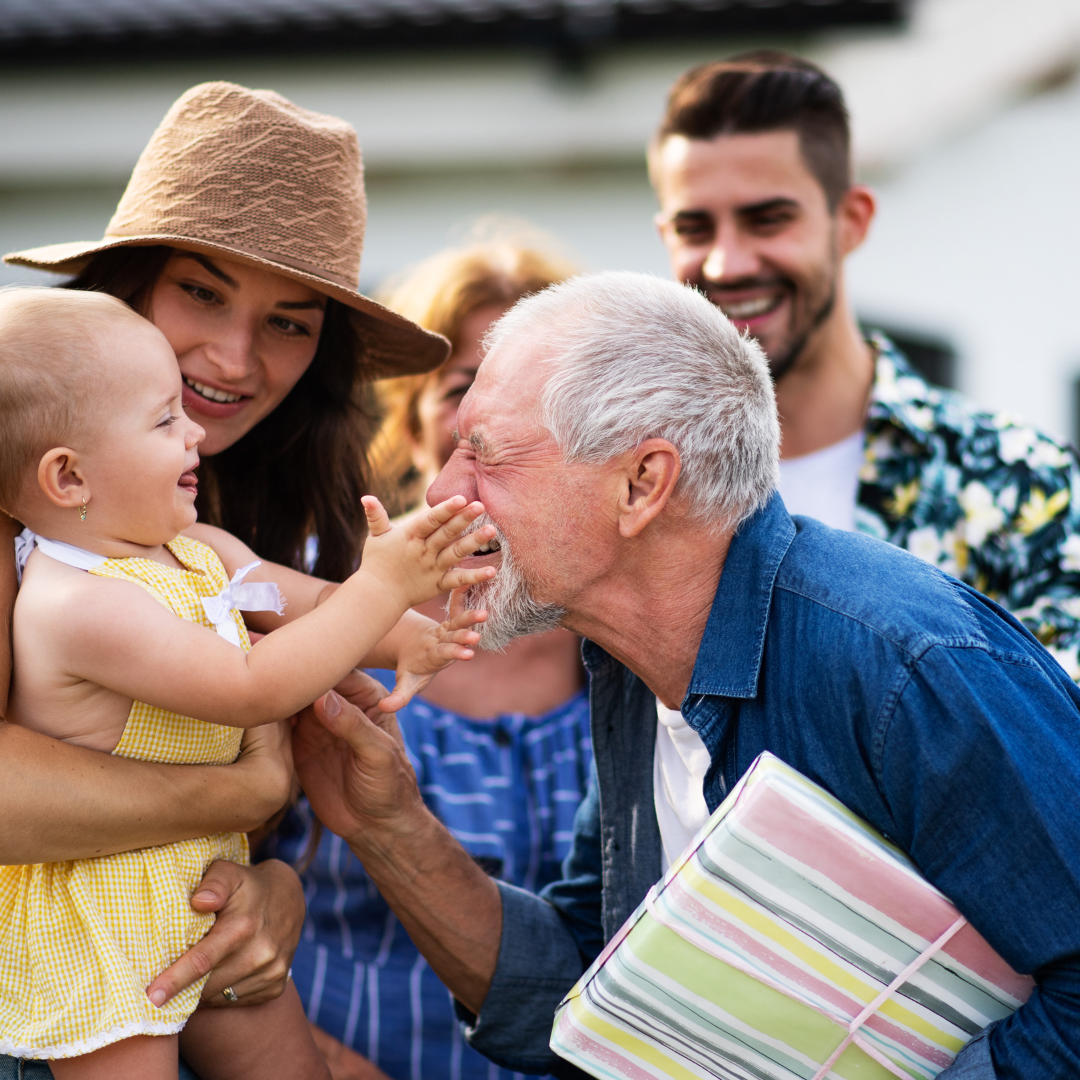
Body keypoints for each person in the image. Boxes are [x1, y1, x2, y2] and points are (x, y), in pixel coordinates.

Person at [292, 273, 1080, 1079]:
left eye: (487, 455)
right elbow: (591, 993)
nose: (442, 488)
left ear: (642, 484)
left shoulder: (902, 668)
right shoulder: (632, 666)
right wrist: (387, 826)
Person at [0, 80, 447, 1078]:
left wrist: (273, 888)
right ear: (127, 285)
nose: (235, 359)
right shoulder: (29, 506)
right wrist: (242, 786)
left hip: (182, 950)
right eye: (199, 292)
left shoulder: (259, 510)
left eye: (289, 322)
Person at [263, 240, 591, 1080]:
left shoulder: (619, 649)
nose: (498, 425)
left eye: (541, 399)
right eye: (464, 394)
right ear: (413, 425)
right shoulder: (303, 595)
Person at [648, 51, 1080, 677]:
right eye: (695, 228)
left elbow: (1059, 741)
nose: (726, 264)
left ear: (850, 221)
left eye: (767, 219)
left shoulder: (1018, 481)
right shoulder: (638, 487)